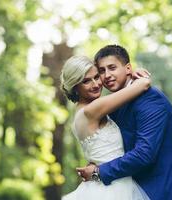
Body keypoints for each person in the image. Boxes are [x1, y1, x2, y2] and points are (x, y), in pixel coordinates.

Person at [76, 45, 172, 200]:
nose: (107, 75)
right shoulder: (115, 103)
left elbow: (144, 154)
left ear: (128, 69)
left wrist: (99, 172)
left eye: (112, 68)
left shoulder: (151, 100)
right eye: (101, 70)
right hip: (129, 189)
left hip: (162, 190)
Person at [60, 55, 151, 200]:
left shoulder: (81, 111)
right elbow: (143, 84)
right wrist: (134, 72)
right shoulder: (94, 109)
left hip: (108, 182)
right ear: (75, 86)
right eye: (86, 81)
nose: (95, 84)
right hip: (112, 188)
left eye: (97, 77)